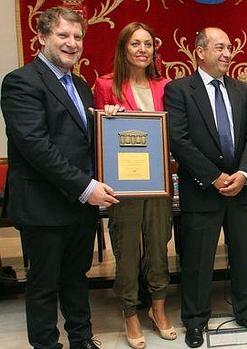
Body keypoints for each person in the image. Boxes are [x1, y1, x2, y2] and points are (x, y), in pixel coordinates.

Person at [0, 7, 119, 349]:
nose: (72, 43)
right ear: (41, 37)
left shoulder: (80, 85)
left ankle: (81, 340)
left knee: (75, 279)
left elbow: (84, 140)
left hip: (78, 206)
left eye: (78, 36)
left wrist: (108, 120)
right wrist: (86, 187)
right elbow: (36, 147)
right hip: (43, 206)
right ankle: (47, 345)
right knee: (43, 285)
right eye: (63, 35)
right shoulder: (21, 81)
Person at [165, 27, 247, 348]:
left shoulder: (242, 90)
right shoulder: (179, 90)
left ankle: (246, 310)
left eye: (230, 48)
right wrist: (213, 176)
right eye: (219, 48)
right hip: (202, 191)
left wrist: (244, 175)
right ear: (199, 51)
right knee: (197, 261)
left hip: (240, 191)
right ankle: (195, 320)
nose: (227, 54)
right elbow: (178, 140)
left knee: (242, 255)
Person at [93, 22, 175, 348]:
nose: (143, 50)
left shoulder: (165, 86)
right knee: (126, 249)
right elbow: (98, 136)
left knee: (158, 245)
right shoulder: (105, 86)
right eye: (135, 44)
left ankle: (158, 308)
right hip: (123, 185)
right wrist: (108, 115)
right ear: (123, 48)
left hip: (158, 182)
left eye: (148, 44)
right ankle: (130, 311)